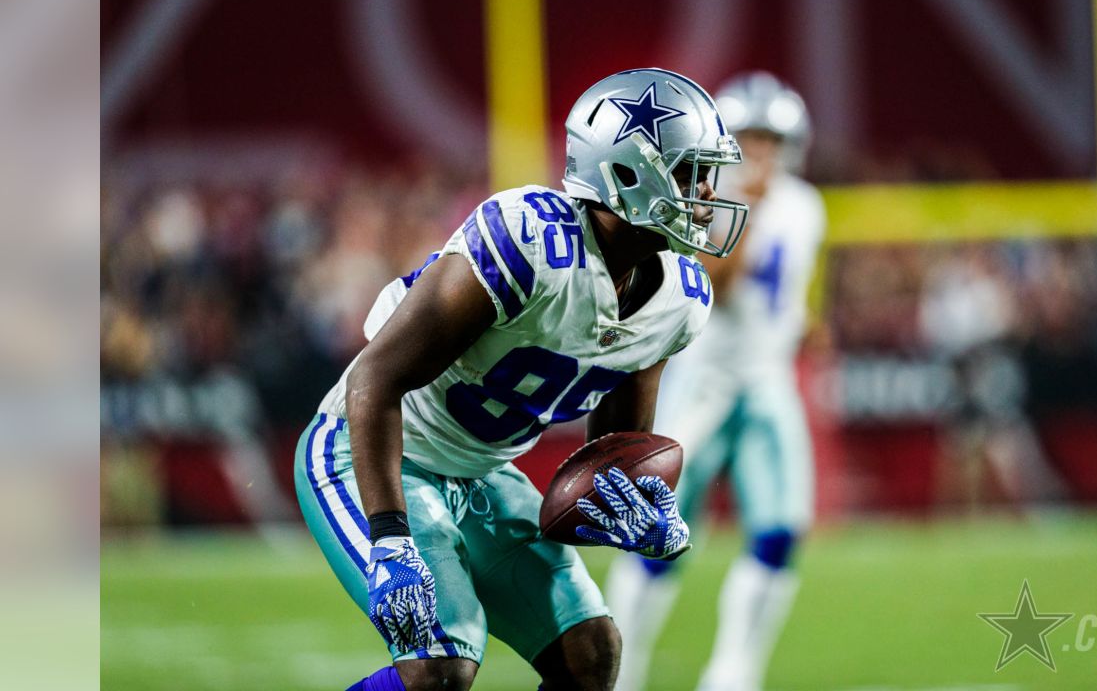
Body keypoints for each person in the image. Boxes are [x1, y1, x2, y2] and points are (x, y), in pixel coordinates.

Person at [294, 68, 748, 691]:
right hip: (368, 447)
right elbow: (374, 378)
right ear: (625, 173)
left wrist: (640, 509)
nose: (704, 193)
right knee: (440, 668)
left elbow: (611, 456)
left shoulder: (679, 300)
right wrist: (392, 537)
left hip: (480, 470)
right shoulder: (528, 241)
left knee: (591, 654)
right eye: (689, 173)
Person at [606, 71, 826, 691]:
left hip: (766, 381)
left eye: (770, 140)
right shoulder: (702, 200)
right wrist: (747, 212)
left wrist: (804, 325)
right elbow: (717, 290)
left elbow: (785, 300)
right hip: (702, 383)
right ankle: (620, 670)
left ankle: (734, 672)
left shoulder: (807, 206)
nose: (760, 153)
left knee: (781, 531)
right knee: (655, 532)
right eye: (749, 139)